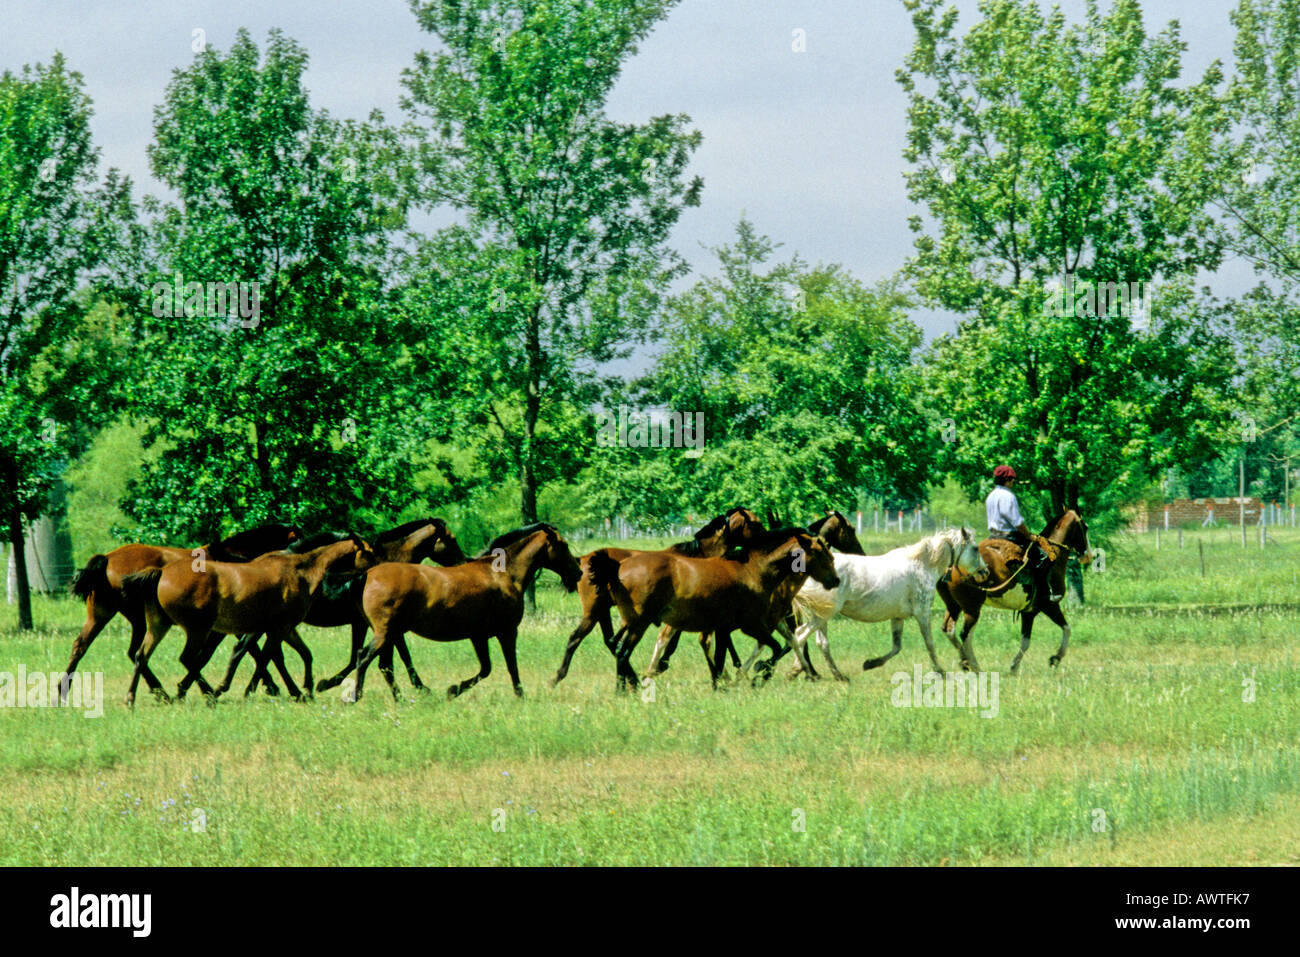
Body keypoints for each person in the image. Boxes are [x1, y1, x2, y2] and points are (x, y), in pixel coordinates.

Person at [985, 465, 1060, 603]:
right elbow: (1016, 521)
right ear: (1007, 480)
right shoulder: (1008, 496)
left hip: (993, 536)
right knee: (1044, 556)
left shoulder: (991, 496)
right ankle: (1044, 594)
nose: (1013, 482)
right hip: (1010, 537)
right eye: (1012, 479)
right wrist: (1028, 535)